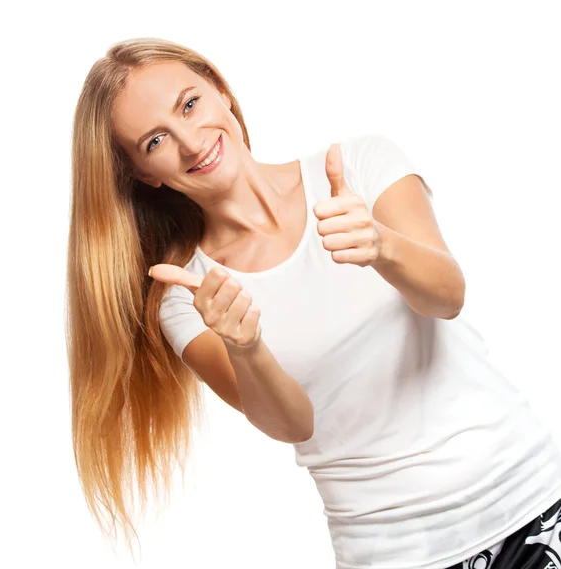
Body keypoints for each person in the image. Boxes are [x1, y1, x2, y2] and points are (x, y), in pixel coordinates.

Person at [66, 36, 561, 569]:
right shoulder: (186, 295)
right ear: (145, 173)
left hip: (530, 497)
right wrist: (247, 346)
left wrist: (381, 246)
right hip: (393, 552)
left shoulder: (360, 166)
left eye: (190, 103)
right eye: (157, 140)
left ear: (220, 91)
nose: (191, 142)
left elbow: (447, 296)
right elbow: (293, 426)